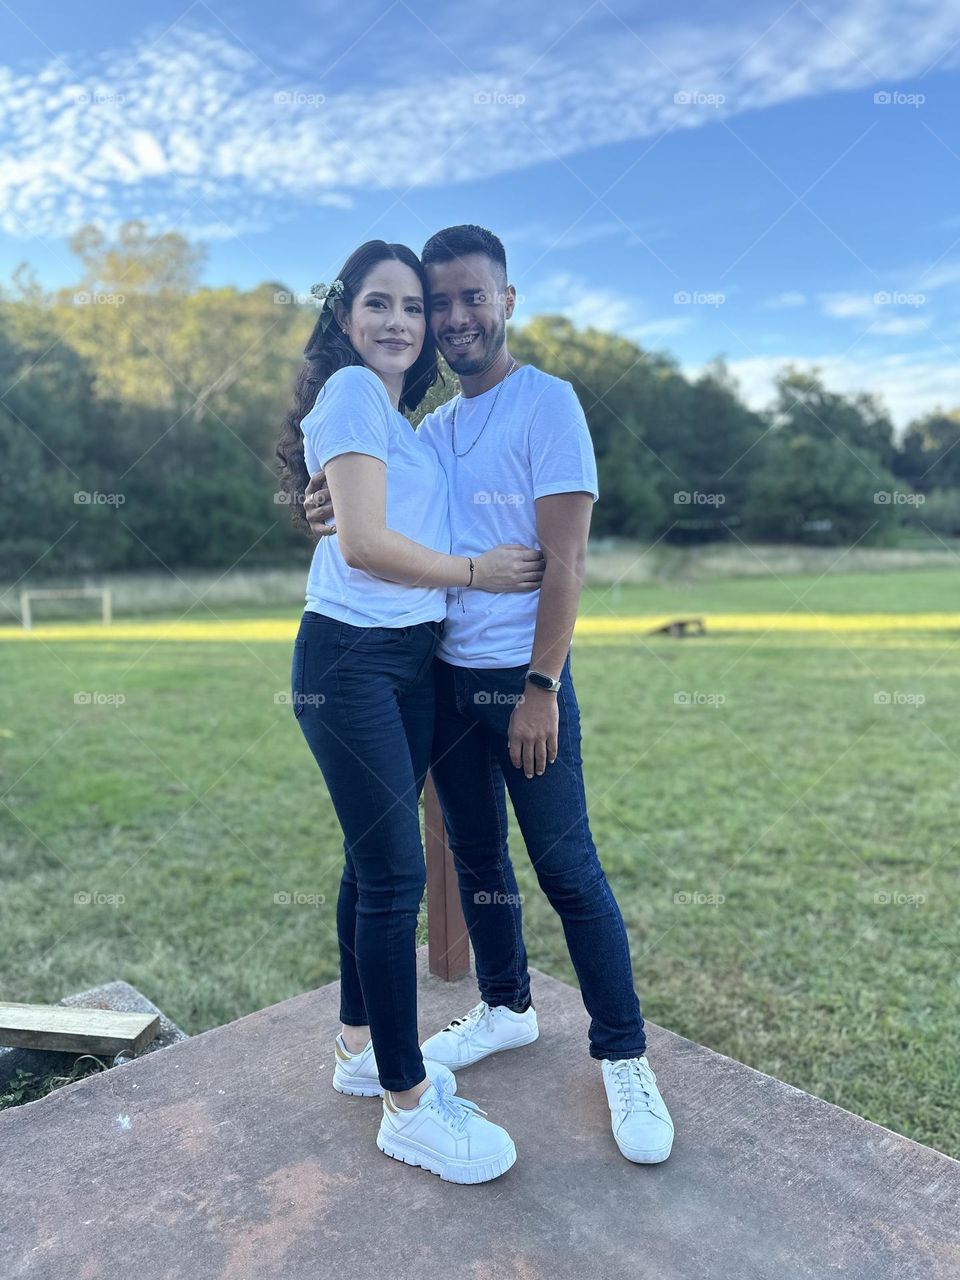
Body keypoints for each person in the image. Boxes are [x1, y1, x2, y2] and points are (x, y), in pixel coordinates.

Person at [303, 225, 675, 1165]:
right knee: (474, 857)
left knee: (567, 867)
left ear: (507, 301)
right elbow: (373, 519)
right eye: (440, 301)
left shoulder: (548, 405)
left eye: (471, 297)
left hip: (521, 683)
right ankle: (507, 1005)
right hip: (439, 674)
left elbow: (569, 562)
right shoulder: (428, 426)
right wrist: (321, 503)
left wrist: (543, 685)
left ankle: (624, 1055)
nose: (454, 317)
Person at [277, 238, 546, 1184]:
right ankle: (405, 1101)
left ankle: (358, 1049)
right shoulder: (352, 391)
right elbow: (360, 544)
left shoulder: (406, 418)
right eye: (378, 305)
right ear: (346, 318)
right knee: (394, 873)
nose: (400, 322)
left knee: (371, 864)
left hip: (414, 661)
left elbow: (364, 511)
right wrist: (478, 573)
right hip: (350, 659)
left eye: (413, 308)